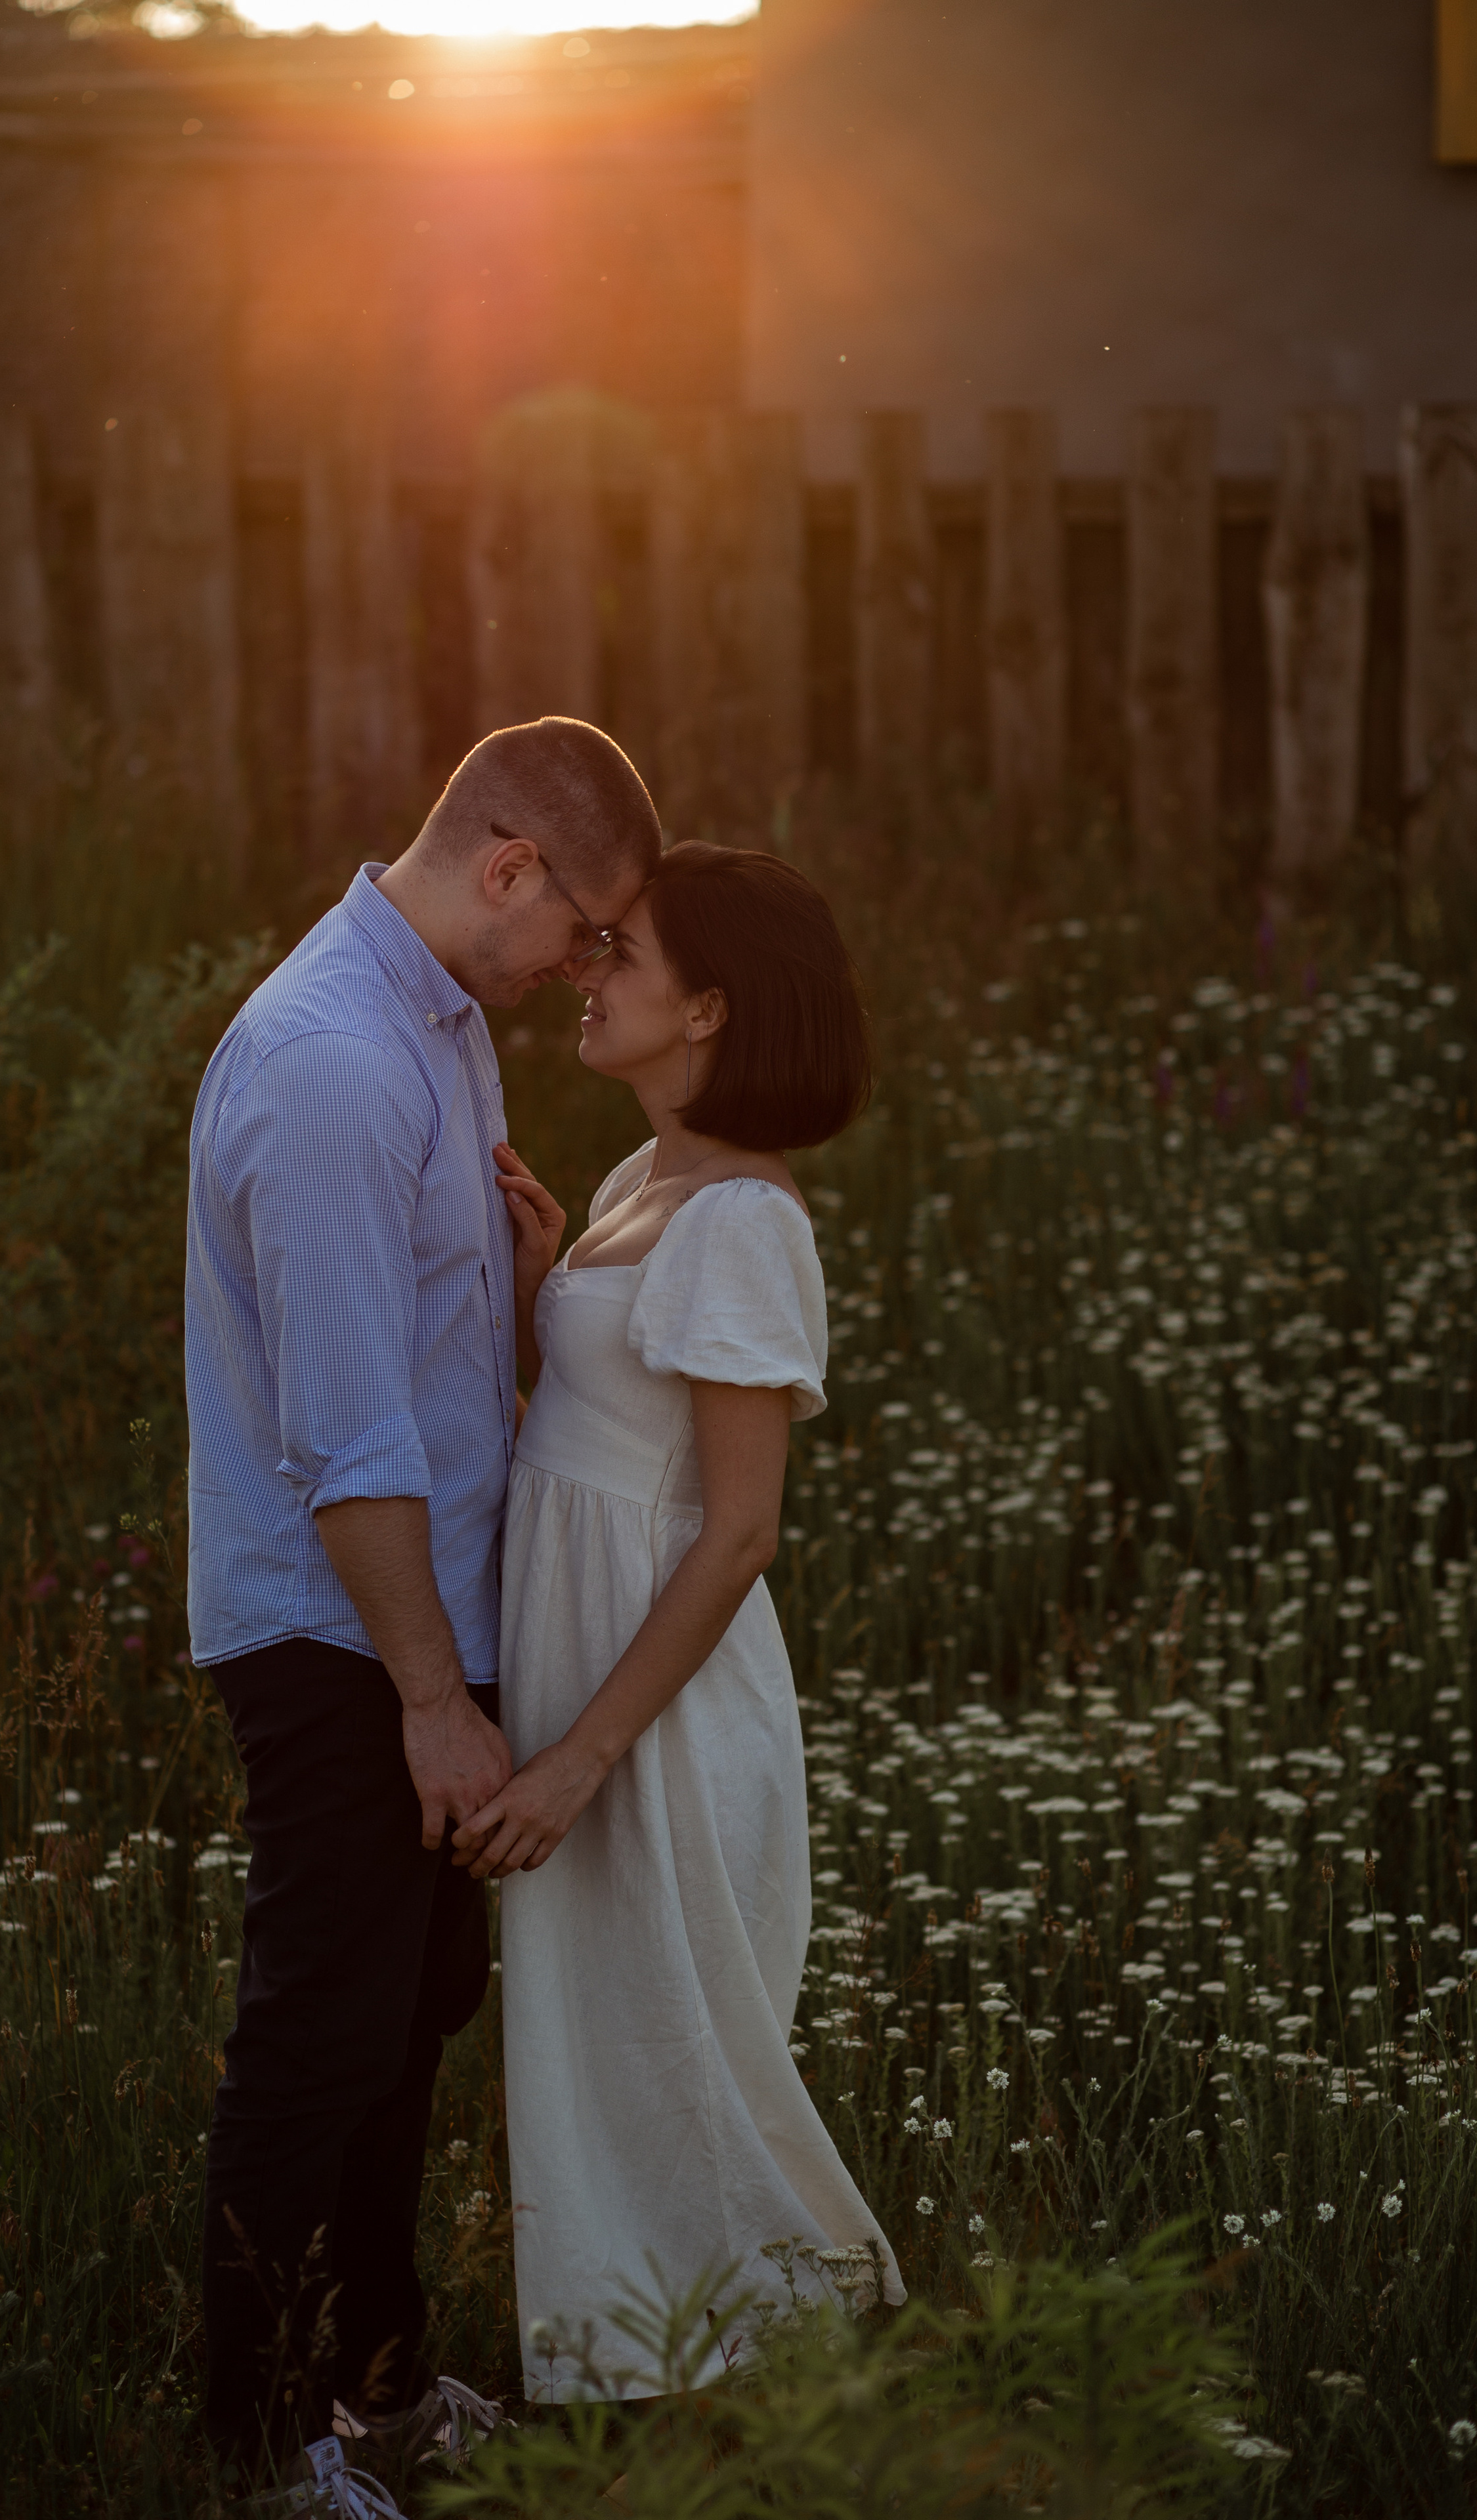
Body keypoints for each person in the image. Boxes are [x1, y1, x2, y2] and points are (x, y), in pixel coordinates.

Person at [184, 717, 662, 2478]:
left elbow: (432, 1374)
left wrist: (525, 1299)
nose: (582, 969)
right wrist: (430, 1698)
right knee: (318, 2039)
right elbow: (348, 1438)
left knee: (405, 2024)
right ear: (508, 867)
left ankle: (377, 2396)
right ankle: (255, 2451)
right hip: (340, 1639)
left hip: (423, 1626)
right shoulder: (330, 1060)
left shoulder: (442, 1026)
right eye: (583, 930)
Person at [452, 841, 906, 2401]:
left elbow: (737, 1529)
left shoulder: (741, 1223)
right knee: (603, 2031)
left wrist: (580, 1757)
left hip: (657, 1708)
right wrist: (542, 1288)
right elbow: (597, 1447)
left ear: (707, 1007)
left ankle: (788, 2362)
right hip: (584, 1664)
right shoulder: (638, 1188)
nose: (585, 972)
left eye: (620, 953)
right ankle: (639, 2366)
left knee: (674, 2033)